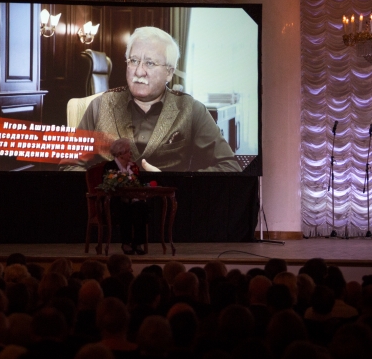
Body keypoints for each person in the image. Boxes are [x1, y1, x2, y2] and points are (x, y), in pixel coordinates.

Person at [67, 26, 241, 172]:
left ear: (169, 72)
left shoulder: (191, 109)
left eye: (150, 63)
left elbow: (230, 166)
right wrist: (104, 185)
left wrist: (173, 183)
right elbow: (70, 165)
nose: (139, 71)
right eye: (133, 61)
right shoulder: (100, 106)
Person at [105, 138, 149, 255]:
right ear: (120, 153)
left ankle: (138, 243)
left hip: (134, 201)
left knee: (141, 207)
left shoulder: (133, 167)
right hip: (116, 202)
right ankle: (126, 242)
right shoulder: (110, 166)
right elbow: (108, 185)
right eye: (129, 151)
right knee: (125, 208)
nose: (131, 153)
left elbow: (139, 183)